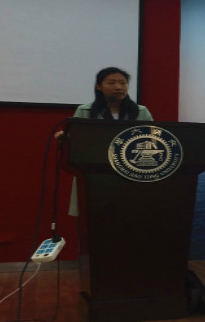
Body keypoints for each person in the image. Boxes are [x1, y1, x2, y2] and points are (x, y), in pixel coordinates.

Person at [64, 67, 153, 215]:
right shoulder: (85, 111)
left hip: (131, 175)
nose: (118, 87)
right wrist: (67, 136)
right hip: (94, 175)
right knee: (92, 218)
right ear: (98, 86)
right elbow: (78, 143)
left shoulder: (141, 112)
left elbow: (152, 141)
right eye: (111, 83)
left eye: (123, 83)